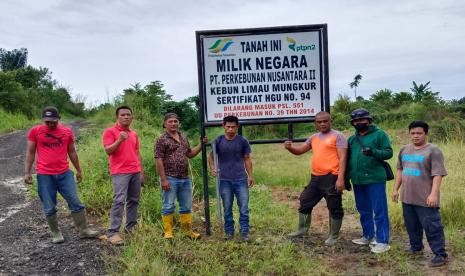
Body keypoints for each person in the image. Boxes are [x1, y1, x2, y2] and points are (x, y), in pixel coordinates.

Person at [24, 106, 99, 244]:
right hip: (45, 175)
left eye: (53, 121)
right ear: (43, 120)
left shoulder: (66, 131)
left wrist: (78, 170)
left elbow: (72, 152)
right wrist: (27, 172)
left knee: (75, 202)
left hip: (65, 174)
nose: (50, 124)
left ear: (59, 118)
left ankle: (84, 230)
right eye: (47, 121)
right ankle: (56, 232)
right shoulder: (35, 131)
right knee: (49, 205)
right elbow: (30, 152)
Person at [284, 112, 347, 245]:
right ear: (315, 124)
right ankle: (302, 230)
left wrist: (340, 178)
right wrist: (290, 148)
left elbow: (343, 158)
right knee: (305, 200)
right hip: (316, 178)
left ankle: (333, 236)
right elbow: (300, 151)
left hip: (332, 177)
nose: (322, 124)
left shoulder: (338, 136)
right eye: (319, 122)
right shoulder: (314, 137)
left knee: (334, 206)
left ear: (331, 121)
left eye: (325, 121)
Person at [392, 121, 448, 267]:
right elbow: (400, 170)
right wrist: (395, 189)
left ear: (426, 134)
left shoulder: (433, 151)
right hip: (407, 197)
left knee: (432, 226)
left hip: (425, 198)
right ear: (409, 133)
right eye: (412, 133)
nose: (415, 136)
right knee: (411, 226)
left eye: (419, 133)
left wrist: (434, 194)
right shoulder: (404, 150)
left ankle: (440, 254)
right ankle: (416, 248)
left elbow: (438, 174)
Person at [347, 108, 393, 253]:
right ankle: (367, 236)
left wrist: (373, 152)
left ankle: (382, 241)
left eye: (361, 120)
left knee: (379, 210)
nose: (358, 123)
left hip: (375, 179)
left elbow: (388, 152)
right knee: (363, 210)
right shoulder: (352, 139)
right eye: (355, 121)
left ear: (369, 120)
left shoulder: (380, 135)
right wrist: (346, 177)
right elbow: (348, 160)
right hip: (358, 180)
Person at [155, 113, 206, 239]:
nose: (173, 123)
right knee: (168, 205)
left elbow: (190, 154)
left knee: (186, 205)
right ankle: (168, 232)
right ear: (165, 124)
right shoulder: (161, 140)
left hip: (185, 178)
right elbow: (158, 160)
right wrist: (163, 179)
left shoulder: (183, 138)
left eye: (175, 121)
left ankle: (187, 231)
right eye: (170, 121)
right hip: (170, 177)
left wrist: (201, 144)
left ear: (179, 123)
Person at [102, 106, 143, 245]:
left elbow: (137, 153)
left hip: (135, 171)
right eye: (123, 115)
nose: (126, 117)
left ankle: (130, 228)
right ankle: (113, 232)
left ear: (132, 117)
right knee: (119, 200)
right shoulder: (110, 131)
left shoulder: (134, 134)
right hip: (120, 172)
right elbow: (108, 151)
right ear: (117, 117)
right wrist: (119, 140)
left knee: (134, 200)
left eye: (128, 115)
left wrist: (141, 172)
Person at [208, 115, 254, 241]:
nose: (230, 129)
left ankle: (244, 232)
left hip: (240, 179)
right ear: (223, 126)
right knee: (227, 207)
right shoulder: (218, 141)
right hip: (224, 180)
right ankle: (229, 232)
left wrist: (250, 175)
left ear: (237, 127)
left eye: (233, 127)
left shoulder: (242, 141)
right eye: (228, 127)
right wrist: (212, 168)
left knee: (244, 207)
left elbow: (247, 159)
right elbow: (211, 157)